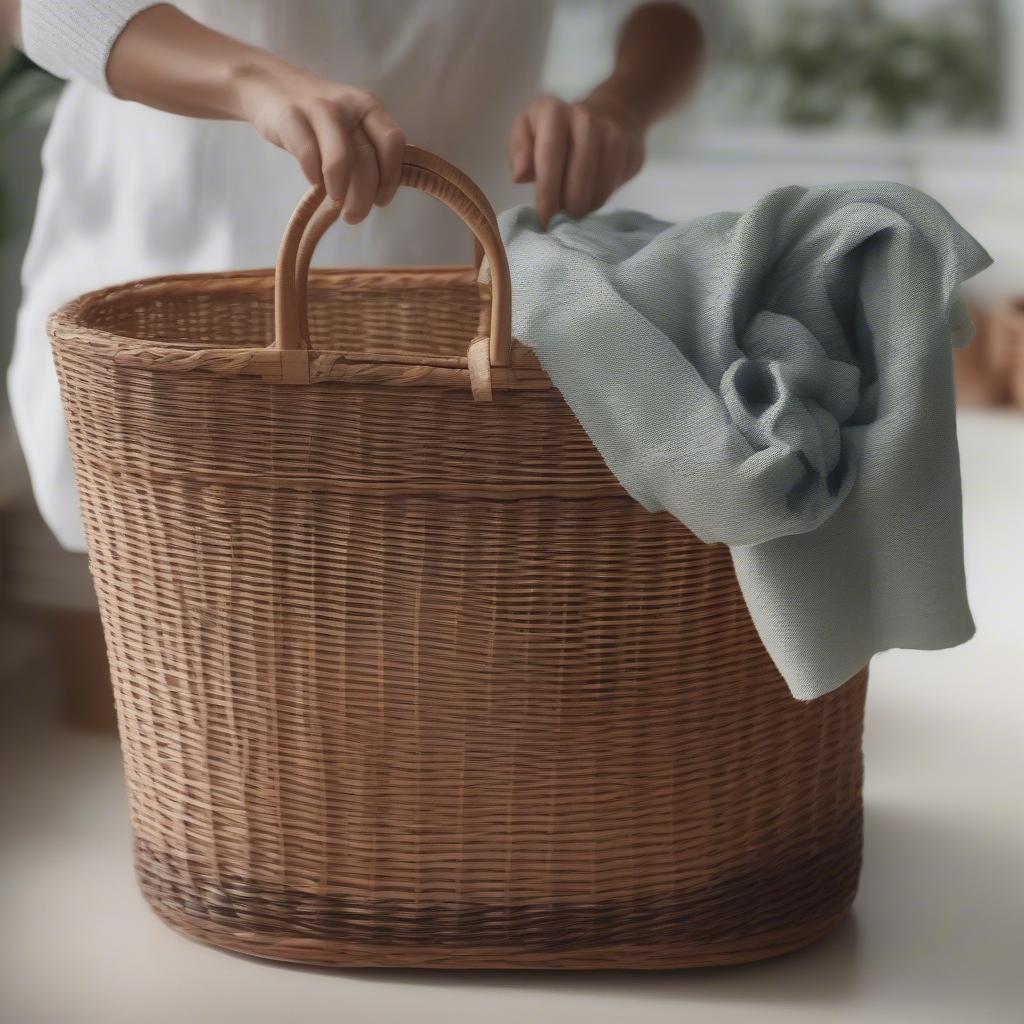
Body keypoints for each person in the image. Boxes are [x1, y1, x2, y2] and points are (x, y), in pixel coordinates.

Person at [7, 0, 709, 551]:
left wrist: (619, 106)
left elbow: (680, 9)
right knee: (210, 685)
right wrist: (252, 81)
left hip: (454, 322)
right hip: (171, 301)